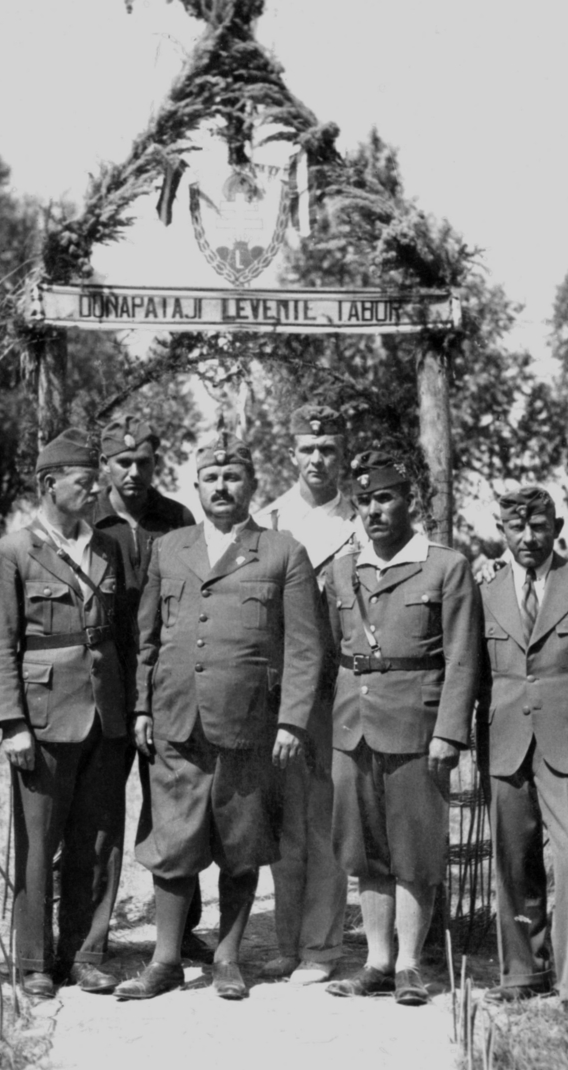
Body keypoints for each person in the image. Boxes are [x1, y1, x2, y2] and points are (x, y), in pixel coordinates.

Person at [115, 433, 324, 1001]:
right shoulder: (171, 547)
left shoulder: (284, 551)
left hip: (250, 726)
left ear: (252, 485)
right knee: (173, 843)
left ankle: (229, 958)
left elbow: (305, 648)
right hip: (176, 722)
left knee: (241, 841)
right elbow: (148, 638)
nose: (222, 487)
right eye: (211, 478)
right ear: (197, 487)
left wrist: (292, 722)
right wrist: (140, 705)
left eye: (233, 478)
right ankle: (164, 960)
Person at [319, 451, 481, 1007]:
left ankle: (411, 963)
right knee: (365, 849)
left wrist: (450, 732)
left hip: (418, 723)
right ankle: (377, 961)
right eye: (363, 501)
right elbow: (327, 650)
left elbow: (463, 658)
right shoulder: (343, 569)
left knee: (414, 847)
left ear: (408, 499)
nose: (373, 510)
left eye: (384, 497)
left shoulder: (445, 566)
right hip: (353, 725)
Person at [0, 429, 133, 1000]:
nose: (97, 487)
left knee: (99, 839)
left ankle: (87, 952)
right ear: (49, 484)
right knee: (39, 840)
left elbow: (119, 633)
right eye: (84, 479)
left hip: (105, 713)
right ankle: (35, 961)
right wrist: (12, 724)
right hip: (43, 715)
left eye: (96, 477)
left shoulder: (107, 546)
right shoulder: (13, 552)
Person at [477, 486, 568, 1024]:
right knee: (514, 861)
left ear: (556, 526)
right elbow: (474, 667)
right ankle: (522, 971)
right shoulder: (485, 590)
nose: (528, 538)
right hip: (507, 738)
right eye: (517, 528)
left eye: (539, 527)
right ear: (502, 530)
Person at [90, 415, 210, 961]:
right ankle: (90, 935)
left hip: (166, 685)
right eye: (123, 463)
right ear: (104, 467)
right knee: (98, 815)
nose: (134, 473)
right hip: (101, 685)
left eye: (143, 463)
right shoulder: (88, 521)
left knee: (178, 805)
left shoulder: (177, 519)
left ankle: (182, 931)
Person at [251, 402, 358, 983]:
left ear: (342, 455)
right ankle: (288, 941)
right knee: (283, 819)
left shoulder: (361, 524)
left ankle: (321, 946)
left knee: (324, 816)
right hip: (277, 687)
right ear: (292, 454)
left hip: (336, 689)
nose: (318, 459)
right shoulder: (268, 520)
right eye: (308, 449)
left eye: (329, 449)